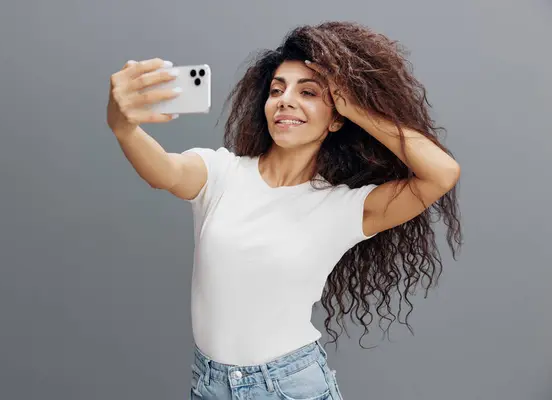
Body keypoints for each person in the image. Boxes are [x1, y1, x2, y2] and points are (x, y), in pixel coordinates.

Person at [106, 21, 462, 400]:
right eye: (277, 90)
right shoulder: (221, 173)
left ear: (337, 117)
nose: (285, 99)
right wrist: (122, 126)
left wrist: (357, 108)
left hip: (288, 387)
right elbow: (164, 172)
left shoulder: (345, 207)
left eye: (308, 92)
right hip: (210, 385)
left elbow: (442, 173)